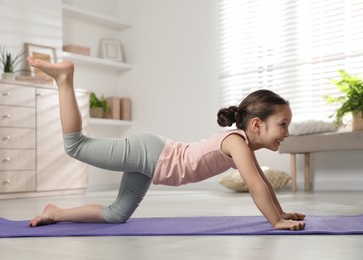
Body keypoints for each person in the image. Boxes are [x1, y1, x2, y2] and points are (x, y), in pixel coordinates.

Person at [27, 56, 306, 231]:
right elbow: (256, 185)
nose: (287, 132)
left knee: (116, 215)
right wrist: (275, 222)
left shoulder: (242, 144)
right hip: (150, 154)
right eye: (283, 124)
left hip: (154, 162)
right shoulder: (236, 142)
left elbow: (262, 181)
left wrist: (280, 212)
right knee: (75, 145)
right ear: (257, 124)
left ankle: (56, 213)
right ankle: (65, 80)